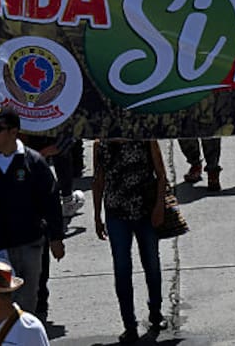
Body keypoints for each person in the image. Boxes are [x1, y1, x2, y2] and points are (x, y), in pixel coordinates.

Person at [0, 107, 64, 316]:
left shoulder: (33, 162)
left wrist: (56, 237)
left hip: (29, 242)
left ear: (13, 132)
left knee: (27, 301)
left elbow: (51, 199)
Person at [92, 139, 167, 342]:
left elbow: (161, 174)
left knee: (151, 263)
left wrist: (160, 205)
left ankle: (156, 311)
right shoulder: (101, 145)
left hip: (146, 211)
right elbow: (98, 180)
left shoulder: (145, 138)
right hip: (116, 214)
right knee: (122, 268)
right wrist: (97, 215)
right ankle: (129, 324)